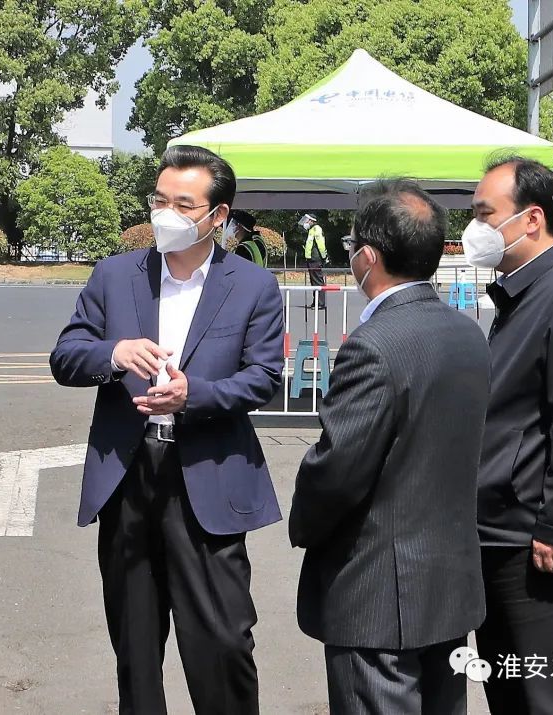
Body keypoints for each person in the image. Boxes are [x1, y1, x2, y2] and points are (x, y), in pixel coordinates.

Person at [50, 144, 286, 714]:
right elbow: (66, 356)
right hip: (129, 475)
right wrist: (114, 353)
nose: (166, 214)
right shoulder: (114, 275)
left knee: (223, 643)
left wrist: (192, 395)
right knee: (135, 647)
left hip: (208, 475)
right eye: (160, 200)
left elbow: (263, 378)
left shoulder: (252, 285)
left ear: (218, 215)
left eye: (184, 204)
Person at [289, 180, 490, 715]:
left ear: (369, 257)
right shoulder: (467, 333)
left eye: (352, 245)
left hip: (376, 594)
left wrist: (303, 523)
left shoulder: (373, 345)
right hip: (447, 587)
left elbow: (337, 469)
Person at [467, 157, 553, 714]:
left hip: (538, 540)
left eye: (486, 214)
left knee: (552, 699)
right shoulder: (521, 295)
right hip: (501, 533)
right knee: (511, 694)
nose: (475, 228)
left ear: (531, 219)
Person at [303, 214, 327, 306]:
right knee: (314, 281)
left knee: (318, 281)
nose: (306, 222)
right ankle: (316, 302)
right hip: (311, 259)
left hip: (315, 259)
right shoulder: (311, 229)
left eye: (307, 220)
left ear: (312, 221)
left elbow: (321, 244)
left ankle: (320, 303)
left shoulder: (317, 229)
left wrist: (324, 257)